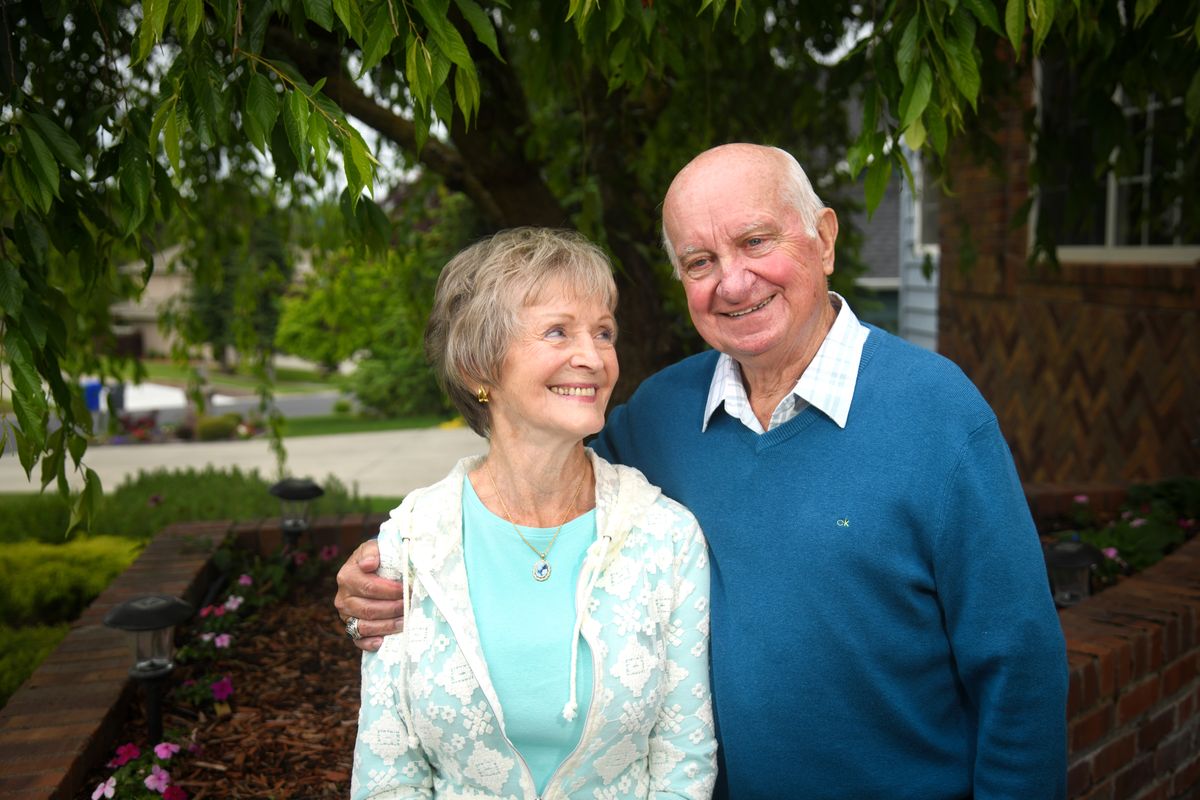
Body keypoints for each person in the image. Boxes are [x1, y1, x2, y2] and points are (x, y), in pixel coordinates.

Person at [338, 146, 1068, 799]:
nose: (733, 281)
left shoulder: (938, 415)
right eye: (699, 261)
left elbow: (1020, 668)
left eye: (756, 241)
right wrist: (384, 569)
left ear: (824, 240)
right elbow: (534, 482)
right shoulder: (661, 415)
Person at [348, 228, 717, 800]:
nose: (592, 357)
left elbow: (683, 758)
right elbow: (387, 768)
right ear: (478, 367)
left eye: (604, 333)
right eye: (557, 331)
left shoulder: (665, 535)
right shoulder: (415, 539)